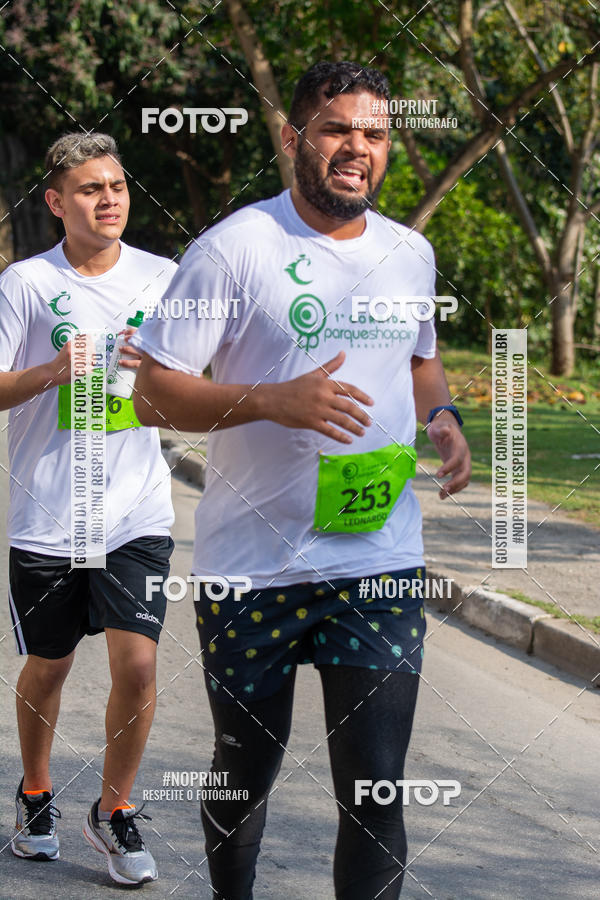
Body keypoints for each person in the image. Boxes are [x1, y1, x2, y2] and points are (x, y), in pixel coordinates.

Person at [132, 61, 471, 898]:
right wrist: (271, 401)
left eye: (375, 133)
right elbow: (150, 393)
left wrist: (444, 420)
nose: (357, 148)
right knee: (243, 775)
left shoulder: (410, 252)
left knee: (377, 789)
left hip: (376, 560)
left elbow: (423, 361)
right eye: (337, 130)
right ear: (295, 140)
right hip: (253, 566)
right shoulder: (235, 248)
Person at [0, 133, 176, 885]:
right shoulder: (25, 284)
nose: (108, 200)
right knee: (50, 665)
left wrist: (158, 374)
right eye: (89, 189)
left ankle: (114, 809)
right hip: (47, 512)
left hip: (135, 510)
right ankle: (35, 793)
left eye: (117, 186)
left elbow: (192, 382)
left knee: (137, 665)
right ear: (56, 202)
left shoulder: (165, 278)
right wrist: (51, 369)